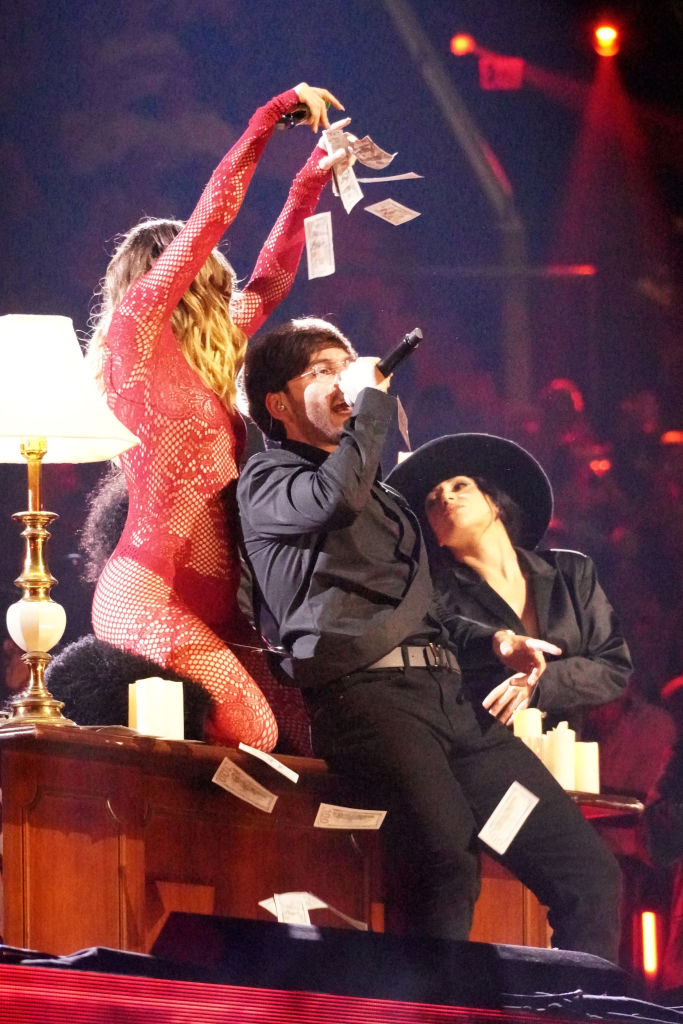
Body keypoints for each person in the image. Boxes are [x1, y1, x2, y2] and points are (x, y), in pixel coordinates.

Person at [236, 316, 621, 957]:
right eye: (324, 370)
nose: (346, 378)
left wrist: (496, 643)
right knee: (446, 863)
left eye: (350, 364)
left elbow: (429, 610)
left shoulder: (382, 497)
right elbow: (336, 499)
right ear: (278, 403)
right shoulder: (270, 482)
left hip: (454, 708)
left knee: (588, 876)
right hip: (375, 704)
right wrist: (372, 404)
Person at [88, 84, 346, 752]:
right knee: (253, 729)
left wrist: (309, 183)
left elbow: (269, 280)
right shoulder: (133, 333)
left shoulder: (207, 359)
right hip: (144, 590)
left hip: (218, 601)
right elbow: (210, 218)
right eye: (198, 270)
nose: (213, 279)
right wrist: (268, 117)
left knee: (307, 730)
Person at [385, 434, 632, 732]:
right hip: (483, 756)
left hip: (566, 757)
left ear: (495, 502)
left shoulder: (571, 572)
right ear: (434, 535)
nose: (446, 498)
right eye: (432, 502)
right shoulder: (434, 597)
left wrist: (537, 685)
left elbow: (613, 668)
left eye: (459, 486)